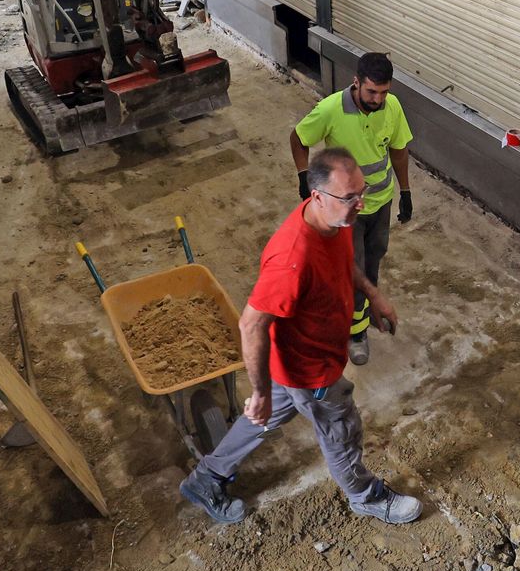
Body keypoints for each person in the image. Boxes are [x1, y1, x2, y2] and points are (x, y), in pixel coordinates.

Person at [179, 148, 421, 526]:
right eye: (350, 197)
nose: (360, 204)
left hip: (292, 361)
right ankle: (365, 496)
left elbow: (344, 262)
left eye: (362, 192)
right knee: (341, 429)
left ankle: (206, 477)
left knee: (263, 419)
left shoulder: (335, 219)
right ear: (318, 196)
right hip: (310, 370)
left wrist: (372, 294)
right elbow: (251, 324)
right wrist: (259, 392)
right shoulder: (292, 258)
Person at [289, 53, 413, 367]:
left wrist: (405, 191)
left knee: (373, 261)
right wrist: (304, 176)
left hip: (381, 203)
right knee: (351, 268)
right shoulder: (331, 109)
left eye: (384, 92)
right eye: (372, 91)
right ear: (356, 82)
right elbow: (298, 138)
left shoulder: (392, 106)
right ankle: (355, 334)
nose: (378, 99)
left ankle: (366, 309)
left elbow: (398, 151)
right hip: (347, 211)